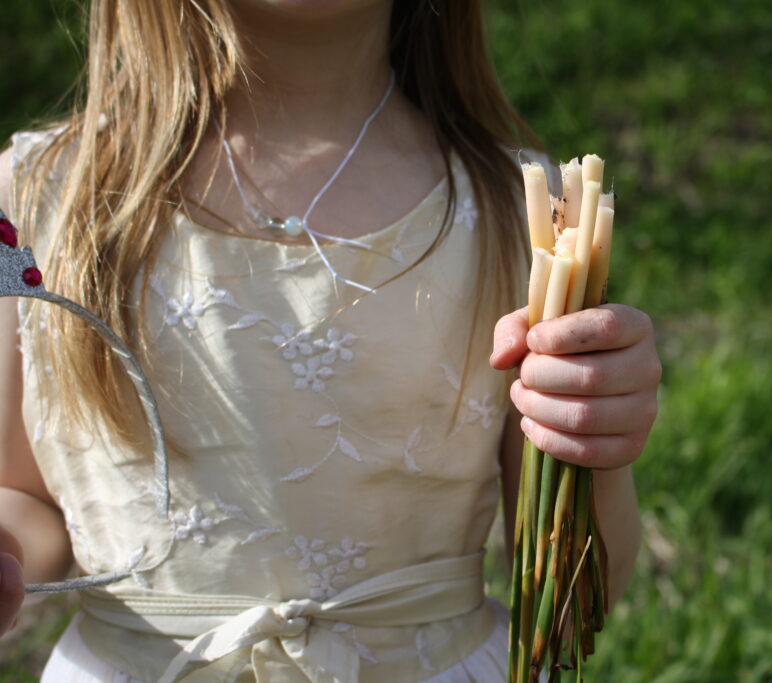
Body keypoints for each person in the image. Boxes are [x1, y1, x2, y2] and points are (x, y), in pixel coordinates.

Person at [0, 0, 661, 680]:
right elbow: (22, 495)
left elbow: (570, 605)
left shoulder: (524, 211)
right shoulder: (43, 195)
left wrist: (596, 441)